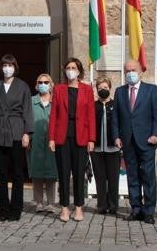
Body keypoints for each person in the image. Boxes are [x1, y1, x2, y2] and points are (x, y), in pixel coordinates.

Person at [0, 54, 34, 222]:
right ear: (1, 67)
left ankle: (16, 208)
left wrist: (27, 133)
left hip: (17, 130)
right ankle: (2, 208)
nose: (7, 68)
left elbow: (27, 109)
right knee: (1, 172)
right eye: (4, 65)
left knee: (18, 172)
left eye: (10, 65)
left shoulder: (23, 86)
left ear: (15, 67)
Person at [112, 60, 157, 224]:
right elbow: (116, 117)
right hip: (127, 141)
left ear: (140, 71)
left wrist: (155, 134)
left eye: (133, 70)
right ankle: (136, 209)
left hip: (147, 141)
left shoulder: (151, 90)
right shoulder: (119, 92)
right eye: (127, 71)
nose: (130, 73)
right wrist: (116, 136)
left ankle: (149, 211)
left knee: (148, 177)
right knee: (132, 176)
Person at [48, 58, 96, 222]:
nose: (70, 70)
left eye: (73, 68)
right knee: (63, 173)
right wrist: (51, 138)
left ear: (79, 71)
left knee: (78, 174)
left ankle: (79, 207)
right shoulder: (59, 89)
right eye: (68, 68)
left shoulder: (87, 90)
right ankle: (64, 208)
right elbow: (53, 114)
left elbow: (91, 115)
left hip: (81, 137)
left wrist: (91, 138)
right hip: (62, 137)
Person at [28, 73, 58, 213]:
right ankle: (38, 202)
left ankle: (52, 202)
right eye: (40, 82)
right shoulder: (31, 101)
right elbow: (26, 120)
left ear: (51, 85)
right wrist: (26, 135)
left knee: (52, 171)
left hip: (53, 141)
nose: (43, 84)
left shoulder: (56, 100)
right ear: (36, 84)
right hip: (36, 140)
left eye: (46, 82)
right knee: (37, 171)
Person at [91, 77, 120, 215]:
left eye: (105, 87)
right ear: (97, 89)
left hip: (113, 148)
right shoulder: (93, 105)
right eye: (100, 88)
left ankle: (113, 205)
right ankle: (101, 205)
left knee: (113, 179)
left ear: (110, 88)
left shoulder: (115, 105)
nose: (103, 90)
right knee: (100, 178)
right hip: (96, 148)